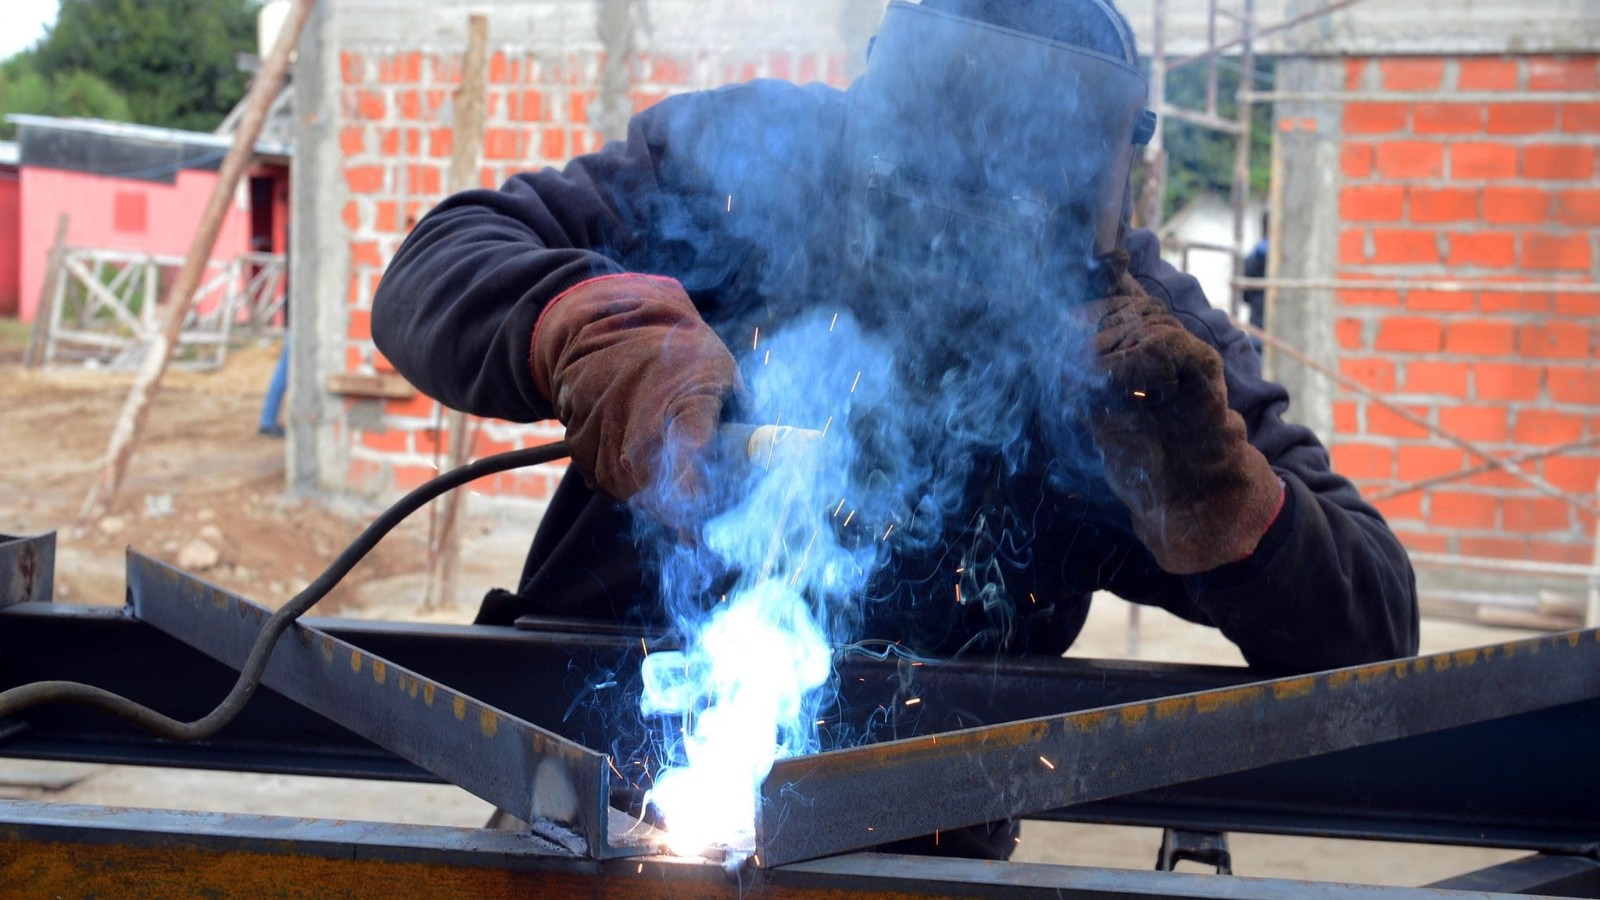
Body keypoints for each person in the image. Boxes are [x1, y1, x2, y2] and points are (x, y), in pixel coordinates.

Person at [374, 1, 1416, 684]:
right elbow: (440, 259)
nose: (947, 255)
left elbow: (1375, 625)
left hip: (914, 827)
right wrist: (599, 334)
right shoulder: (750, 167)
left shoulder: (1140, 350)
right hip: (596, 753)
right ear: (870, 119)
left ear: (1093, 193)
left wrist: (1217, 496)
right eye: (919, 201)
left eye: (998, 225)